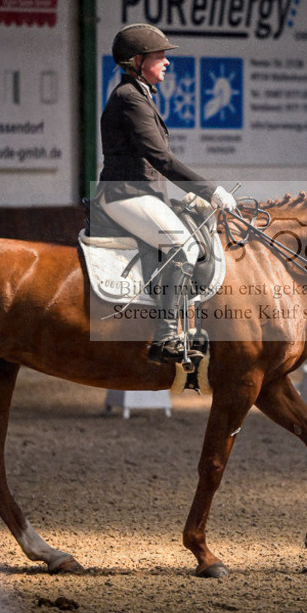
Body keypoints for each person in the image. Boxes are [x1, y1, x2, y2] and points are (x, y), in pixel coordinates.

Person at [96, 23, 237, 363]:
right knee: (182, 248)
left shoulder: (138, 95)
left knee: (195, 227)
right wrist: (211, 189)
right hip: (124, 194)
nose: (167, 62)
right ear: (138, 60)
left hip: (140, 192)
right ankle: (166, 336)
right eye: (159, 56)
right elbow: (160, 158)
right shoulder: (129, 98)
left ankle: (189, 327)